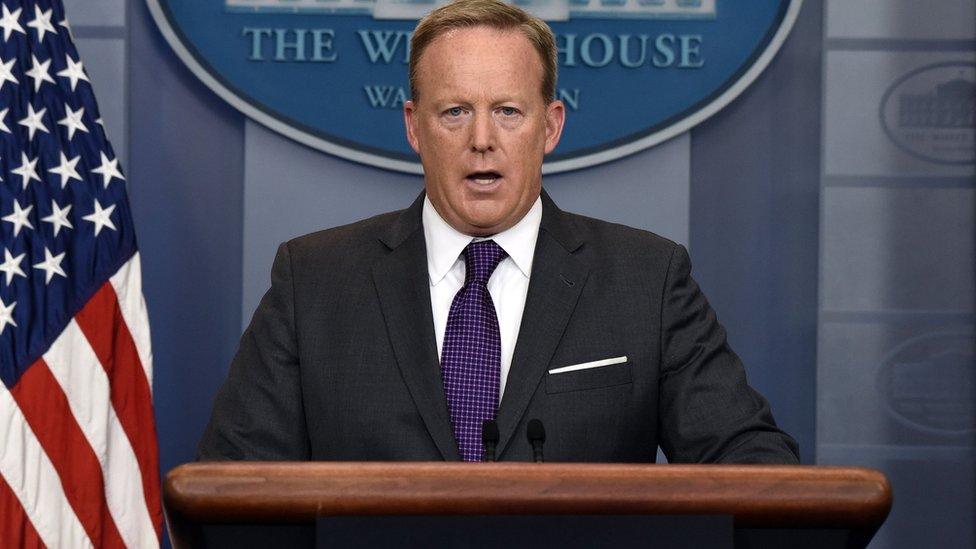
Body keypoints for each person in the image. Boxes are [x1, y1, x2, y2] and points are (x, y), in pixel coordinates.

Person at [198, 0, 798, 464]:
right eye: (454, 111)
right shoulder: (315, 281)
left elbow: (752, 466)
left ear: (551, 126)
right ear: (414, 127)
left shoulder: (647, 280)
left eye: (508, 111)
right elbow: (232, 483)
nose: (481, 138)